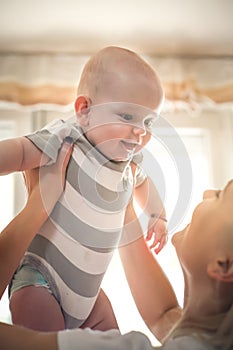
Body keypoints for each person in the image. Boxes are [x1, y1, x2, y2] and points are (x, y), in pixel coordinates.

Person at [0, 46, 171, 333]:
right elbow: (19, 152)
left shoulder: (129, 161)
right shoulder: (66, 138)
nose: (140, 131)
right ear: (85, 111)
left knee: (111, 337)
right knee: (47, 339)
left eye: (148, 121)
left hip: (89, 295)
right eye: (128, 117)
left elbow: (143, 184)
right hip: (41, 280)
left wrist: (158, 214)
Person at [0, 155, 232, 349]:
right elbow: (165, 315)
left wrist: (36, 207)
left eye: (221, 196)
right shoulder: (207, 340)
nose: (207, 192)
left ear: (225, 265)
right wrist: (124, 206)